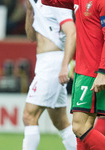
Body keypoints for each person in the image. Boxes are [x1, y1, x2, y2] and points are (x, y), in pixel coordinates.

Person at [42, 0, 105, 149]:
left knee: (79, 127)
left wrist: (102, 72)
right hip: (82, 72)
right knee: (82, 131)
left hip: (95, 72)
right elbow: (49, 1)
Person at [22, 0, 76, 150]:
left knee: (28, 116)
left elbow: (72, 32)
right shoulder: (38, 4)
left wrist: (65, 65)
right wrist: (28, 11)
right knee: (61, 123)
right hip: (45, 63)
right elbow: (31, 37)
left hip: (53, 63)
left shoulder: (57, 3)